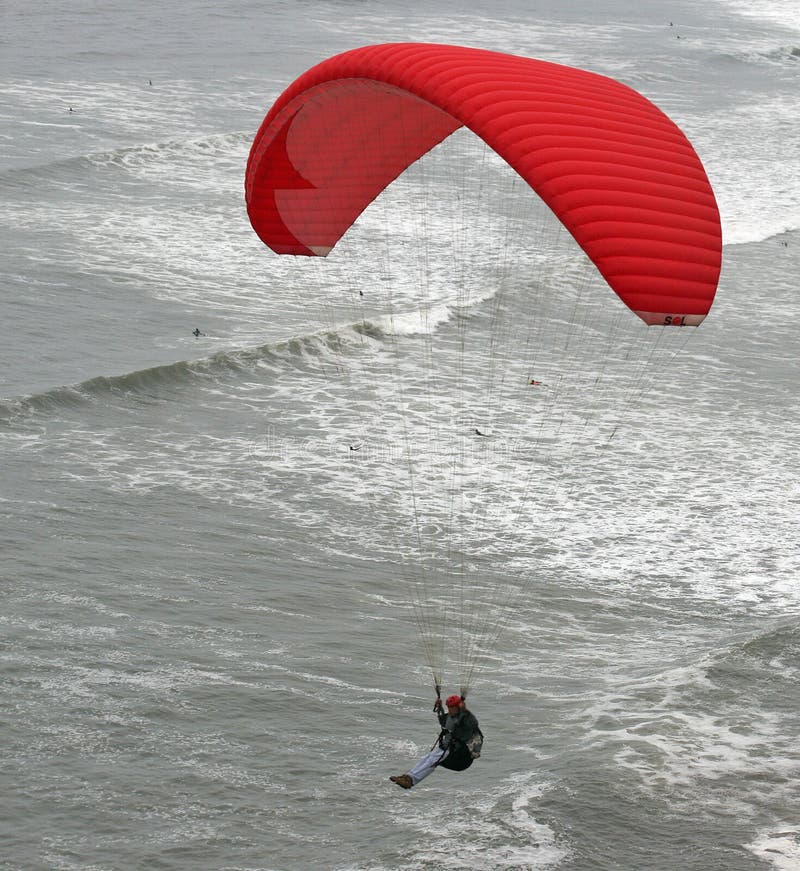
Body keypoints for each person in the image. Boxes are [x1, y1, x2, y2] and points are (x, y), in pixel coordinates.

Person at [390, 695, 482, 789]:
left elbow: (472, 724)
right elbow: (443, 721)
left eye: (452, 707)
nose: (450, 710)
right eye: (448, 707)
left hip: (458, 754)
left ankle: (411, 780)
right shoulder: (450, 717)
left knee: (432, 761)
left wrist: (465, 711)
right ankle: (407, 776)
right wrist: (439, 708)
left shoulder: (466, 719)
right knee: (427, 758)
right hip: (446, 746)